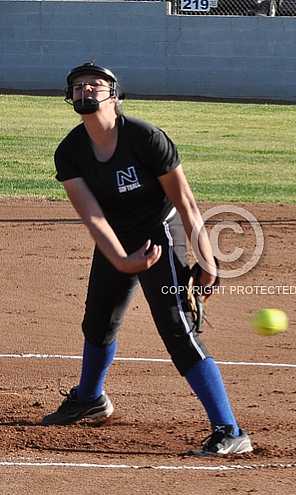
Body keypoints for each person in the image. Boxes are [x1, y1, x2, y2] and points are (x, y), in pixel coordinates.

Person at [41, 62, 253, 457]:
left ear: (114, 95)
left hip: (160, 232)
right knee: (98, 319)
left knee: (177, 328)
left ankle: (230, 430)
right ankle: (90, 398)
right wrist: (122, 260)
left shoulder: (144, 138)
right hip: (116, 238)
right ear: (70, 96)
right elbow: (92, 215)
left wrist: (206, 259)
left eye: (96, 84)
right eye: (79, 85)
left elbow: (185, 203)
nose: (87, 90)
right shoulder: (69, 152)